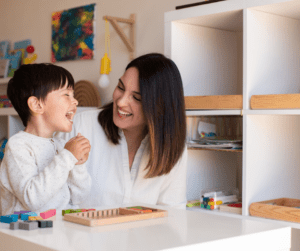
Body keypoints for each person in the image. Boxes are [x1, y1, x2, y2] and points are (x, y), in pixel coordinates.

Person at [59, 53, 187, 209]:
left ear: (160, 107)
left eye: (137, 98)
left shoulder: (172, 147)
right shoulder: (80, 125)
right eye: (121, 87)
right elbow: (50, 199)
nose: (121, 102)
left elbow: (172, 214)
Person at [0, 63, 92, 216]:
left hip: (57, 232)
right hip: (25, 234)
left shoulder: (61, 145)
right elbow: (32, 199)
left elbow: (78, 197)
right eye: (66, 95)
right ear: (37, 105)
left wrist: (78, 164)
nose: (75, 101)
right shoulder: (18, 146)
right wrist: (68, 157)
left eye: (74, 95)